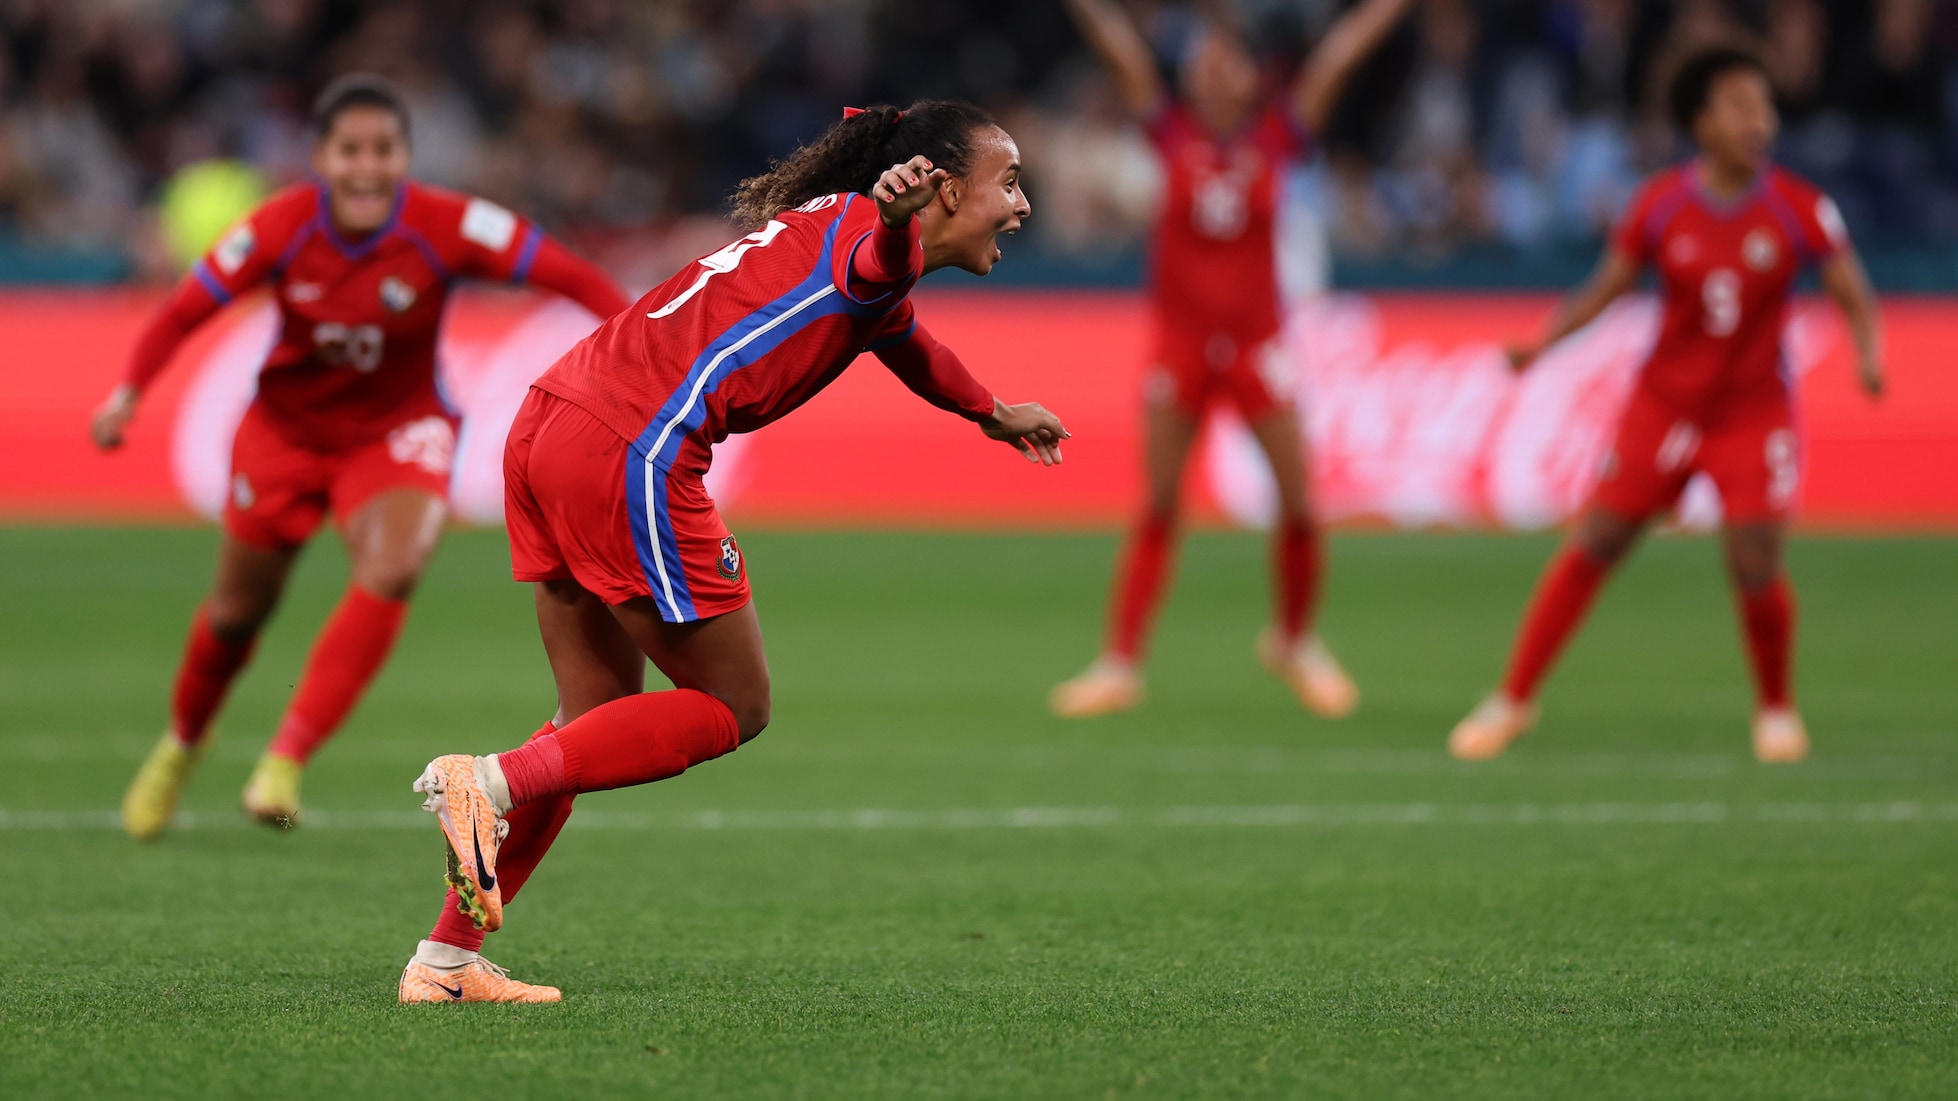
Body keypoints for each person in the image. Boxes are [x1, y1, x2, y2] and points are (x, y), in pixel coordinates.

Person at [394, 99, 1068, 1003]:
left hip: (551, 418)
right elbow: (886, 267)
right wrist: (901, 226)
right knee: (732, 703)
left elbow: (899, 327)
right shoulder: (878, 239)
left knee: (592, 720)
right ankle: (483, 780)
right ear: (944, 188)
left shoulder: (831, 220)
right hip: (634, 449)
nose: (1022, 205)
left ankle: (444, 961)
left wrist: (988, 410)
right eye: (1009, 184)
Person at [99, 75, 631, 838]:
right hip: (283, 435)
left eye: (383, 150)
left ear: (404, 157)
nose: (367, 168)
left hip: (396, 433)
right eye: (350, 151)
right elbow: (186, 307)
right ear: (320, 157)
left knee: (395, 562)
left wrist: (642, 341)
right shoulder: (279, 228)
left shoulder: (449, 224)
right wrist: (128, 392)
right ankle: (183, 743)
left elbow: (564, 271)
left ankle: (285, 756)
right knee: (236, 613)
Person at [1447, 47, 1885, 764]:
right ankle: (1512, 697)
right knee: (1597, 541)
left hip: (1752, 410)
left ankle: (1776, 709)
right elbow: (1604, 289)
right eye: (1740, 106)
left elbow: (1853, 291)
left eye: (1764, 106)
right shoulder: (1659, 204)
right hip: (1664, 406)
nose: (1759, 120)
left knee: (1755, 557)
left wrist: (1868, 353)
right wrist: (1541, 344)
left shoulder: (1800, 208)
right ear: (1699, 122)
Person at [1049, 0, 1413, 719]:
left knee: (1301, 504)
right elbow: (1121, 49)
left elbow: (1337, 57)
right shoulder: (1169, 131)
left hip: (1256, 346)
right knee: (1157, 504)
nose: (1213, 75)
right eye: (1203, 63)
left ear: (1254, 77)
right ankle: (1120, 662)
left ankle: (1295, 641)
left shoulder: (1280, 136)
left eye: (1228, 63)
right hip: (1180, 346)